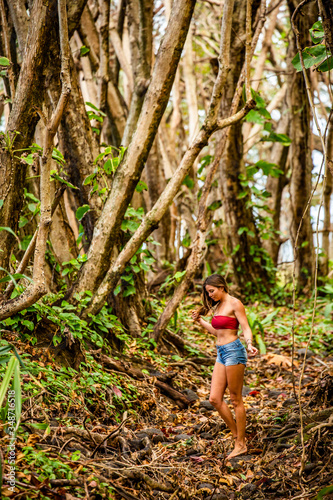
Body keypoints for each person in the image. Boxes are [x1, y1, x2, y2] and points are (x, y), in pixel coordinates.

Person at [191, 274, 258, 459]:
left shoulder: (235, 303)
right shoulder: (218, 306)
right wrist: (200, 321)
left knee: (236, 399)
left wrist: (250, 343)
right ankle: (237, 436)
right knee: (214, 399)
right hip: (221, 352)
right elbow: (217, 332)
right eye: (208, 292)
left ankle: (240, 444)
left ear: (221, 287)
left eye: (212, 291)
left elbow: (245, 327)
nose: (210, 295)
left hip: (234, 351)